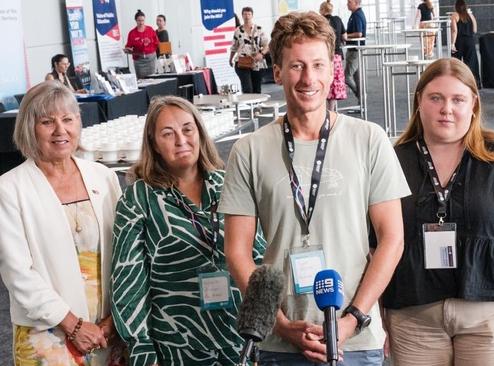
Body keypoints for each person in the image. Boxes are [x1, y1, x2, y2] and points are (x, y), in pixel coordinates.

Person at [220, 11, 410, 365]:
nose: (309, 78)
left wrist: (353, 318)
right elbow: (237, 252)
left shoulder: (369, 139)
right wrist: (278, 324)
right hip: (281, 343)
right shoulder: (248, 150)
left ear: (333, 68)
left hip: (355, 339)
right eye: (296, 66)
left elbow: (392, 239)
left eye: (318, 65)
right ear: (276, 71)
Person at [381, 58, 494, 365]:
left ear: (473, 104)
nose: (447, 108)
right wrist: (377, 315)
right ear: (419, 101)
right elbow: (374, 244)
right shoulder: (391, 160)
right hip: (413, 318)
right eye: (436, 98)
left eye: (458, 99)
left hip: (490, 316)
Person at [110, 96, 266, 364]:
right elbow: (128, 283)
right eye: (167, 134)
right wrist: (142, 349)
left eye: (187, 129)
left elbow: (259, 256)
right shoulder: (138, 199)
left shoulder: (229, 183)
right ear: (154, 144)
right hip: (177, 347)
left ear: (200, 133)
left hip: (240, 340)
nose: (181, 140)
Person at [0, 81, 125, 364]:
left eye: (68, 119)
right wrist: (73, 325)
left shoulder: (103, 177)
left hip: (107, 329)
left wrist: (114, 319)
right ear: (29, 129)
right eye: (47, 122)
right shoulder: (9, 189)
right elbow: (17, 273)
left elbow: (125, 254)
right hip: (47, 332)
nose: (61, 130)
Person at [229, 7, 270, 94]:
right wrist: (231, 58)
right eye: (245, 14)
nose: (247, 16)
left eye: (249, 14)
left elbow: (267, 45)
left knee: (257, 88)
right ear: (242, 16)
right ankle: (249, 106)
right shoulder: (238, 30)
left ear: (252, 15)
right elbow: (234, 46)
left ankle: (257, 107)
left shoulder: (259, 29)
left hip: (257, 63)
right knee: (247, 88)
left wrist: (261, 54)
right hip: (242, 62)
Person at [320, 0, 347, 111]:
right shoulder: (338, 19)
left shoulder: (321, 22)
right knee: (334, 83)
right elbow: (345, 37)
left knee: (324, 81)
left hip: (324, 55)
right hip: (337, 55)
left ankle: (326, 110)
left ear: (322, 10)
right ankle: (332, 111)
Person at [450, 0, 481, 88]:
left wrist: (452, 44)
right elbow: (475, 30)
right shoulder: (470, 15)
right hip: (470, 41)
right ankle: (474, 84)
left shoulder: (455, 15)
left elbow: (454, 31)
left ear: (456, 6)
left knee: (456, 62)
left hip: (459, 41)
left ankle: (456, 83)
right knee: (472, 62)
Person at [124, 9, 159, 79]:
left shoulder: (150, 29)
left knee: (152, 79)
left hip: (150, 59)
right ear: (136, 20)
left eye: (143, 20)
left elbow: (157, 42)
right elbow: (128, 46)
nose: (141, 22)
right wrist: (128, 49)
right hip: (139, 60)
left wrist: (150, 41)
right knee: (141, 80)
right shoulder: (132, 33)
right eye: (139, 20)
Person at [345, 0, 367, 106]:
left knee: (347, 77)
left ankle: (360, 95)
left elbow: (359, 33)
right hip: (355, 49)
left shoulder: (357, 15)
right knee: (356, 77)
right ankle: (361, 102)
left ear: (356, 2)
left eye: (349, 2)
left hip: (355, 50)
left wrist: (345, 36)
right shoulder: (355, 14)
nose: (347, 4)